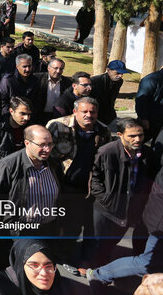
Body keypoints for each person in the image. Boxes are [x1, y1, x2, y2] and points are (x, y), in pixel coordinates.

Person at [46, 97, 111, 264]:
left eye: (93, 112)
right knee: (60, 224)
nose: (88, 115)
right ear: (75, 112)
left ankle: (76, 259)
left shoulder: (103, 131)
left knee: (84, 226)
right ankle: (56, 258)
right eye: (84, 111)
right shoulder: (57, 126)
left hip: (88, 188)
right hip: (61, 185)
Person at [89, 118, 159, 266]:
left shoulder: (147, 154)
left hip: (129, 209)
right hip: (106, 209)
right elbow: (94, 178)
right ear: (120, 134)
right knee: (97, 245)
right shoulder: (107, 152)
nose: (138, 139)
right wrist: (106, 199)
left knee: (112, 242)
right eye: (132, 136)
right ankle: (94, 272)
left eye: (140, 135)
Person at [0, 125, 64, 237]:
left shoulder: (54, 164)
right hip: (21, 232)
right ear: (27, 143)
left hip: (50, 230)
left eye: (50, 144)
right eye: (42, 145)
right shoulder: (8, 166)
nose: (47, 149)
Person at [0, 239, 81, 294]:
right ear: (21, 265)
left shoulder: (62, 283)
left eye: (48, 266)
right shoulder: (1, 287)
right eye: (34, 265)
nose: (44, 273)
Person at [91, 59, 128, 125]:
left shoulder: (119, 81)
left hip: (108, 115)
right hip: (94, 114)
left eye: (122, 73)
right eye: (118, 73)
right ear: (108, 70)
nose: (120, 76)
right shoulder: (95, 81)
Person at [35, 57, 71, 124]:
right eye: (56, 68)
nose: (58, 71)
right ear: (48, 68)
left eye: (61, 69)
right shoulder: (37, 79)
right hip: (39, 116)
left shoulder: (67, 83)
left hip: (58, 117)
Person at [136, 63, 163, 139]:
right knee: (137, 142)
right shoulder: (150, 79)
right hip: (150, 119)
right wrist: (143, 118)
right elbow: (141, 100)